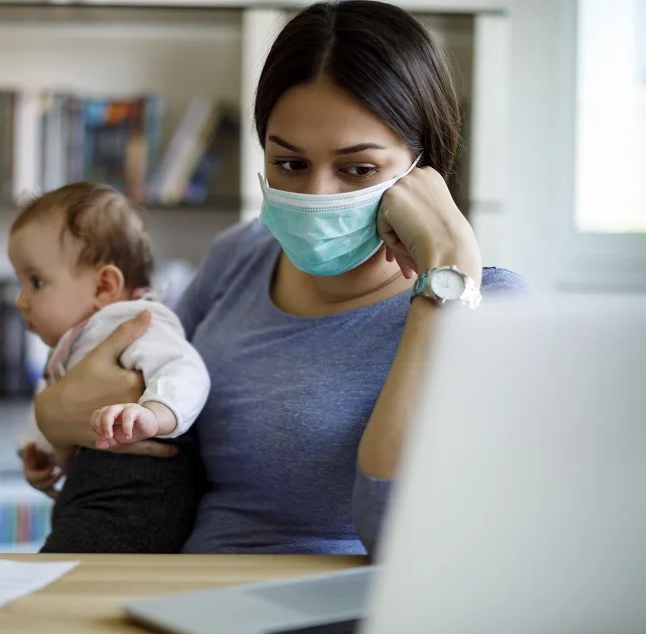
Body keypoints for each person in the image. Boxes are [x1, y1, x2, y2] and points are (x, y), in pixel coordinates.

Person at [30, 0, 533, 555]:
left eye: (357, 169)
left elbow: (397, 535)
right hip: (178, 593)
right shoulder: (240, 257)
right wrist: (50, 417)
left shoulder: (490, 306)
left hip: (338, 621)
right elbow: (111, 418)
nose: (316, 194)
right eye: (290, 164)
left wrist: (446, 272)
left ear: (424, 168)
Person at [9, 182, 211, 552]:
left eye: (36, 282)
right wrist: (38, 447)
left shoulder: (136, 321)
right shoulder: (76, 339)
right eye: (19, 282)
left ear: (105, 285)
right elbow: (57, 397)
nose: (21, 300)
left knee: (64, 580)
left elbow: (186, 369)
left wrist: (156, 414)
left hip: (139, 494)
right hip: (93, 490)